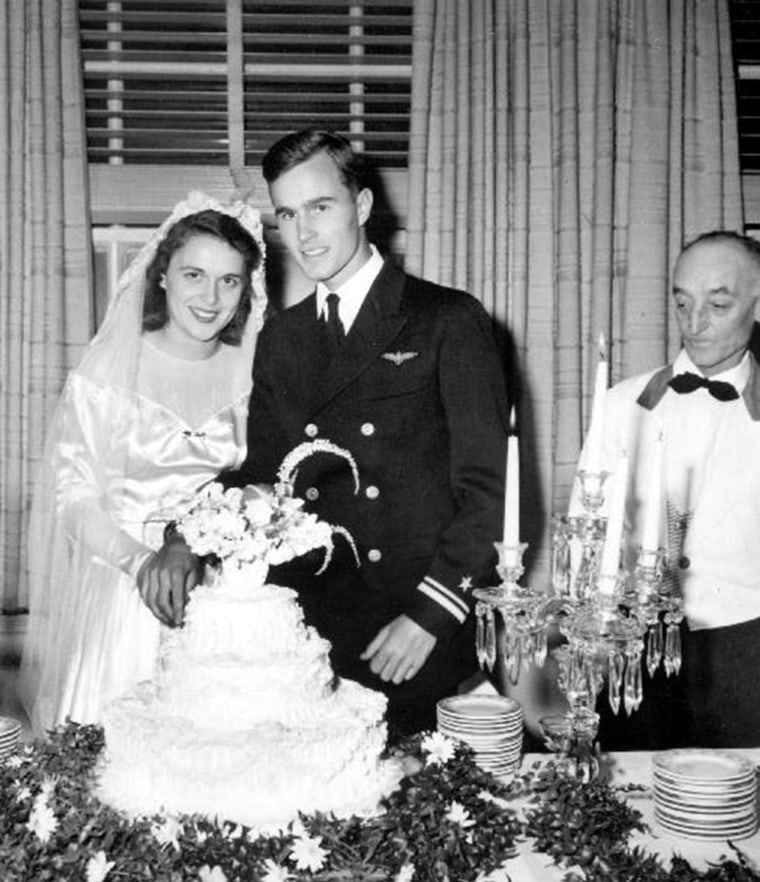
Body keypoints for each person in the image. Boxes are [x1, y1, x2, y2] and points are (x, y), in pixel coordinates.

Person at [143, 130, 511, 736]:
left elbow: (490, 494)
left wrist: (431, 614)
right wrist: (184, 536)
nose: (304, 232)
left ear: (362, 207)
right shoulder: (283, 338)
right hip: (311, 630)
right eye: (287, 213)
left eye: (321, 207)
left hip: (414, 626)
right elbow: (263, 473)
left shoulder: (446, 319)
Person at [20, 193, 266, 735]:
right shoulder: (107, 373)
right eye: (194, 275)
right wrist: (141, 563)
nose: (210, 296)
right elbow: (72, 498)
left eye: (229, 281)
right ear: (161, 276)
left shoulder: (254, 376)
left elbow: (264, 483)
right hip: (126, 596)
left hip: (226, 601)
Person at [575, 230, 760, 749]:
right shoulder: (619, 405)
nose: (694, 322)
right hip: (633, 650)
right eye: (682, 301)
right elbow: (584, 535)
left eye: (718, 304)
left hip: (745, 651)